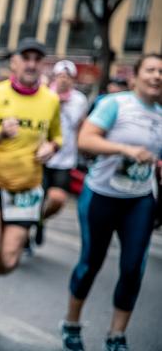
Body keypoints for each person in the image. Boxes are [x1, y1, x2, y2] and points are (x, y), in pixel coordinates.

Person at [60, 54, 161, 351]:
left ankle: (117, 336)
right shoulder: (115, 104)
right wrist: (125, 150)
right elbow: (85, 141)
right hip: (102, 196)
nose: (157, 76)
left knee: (133, 268)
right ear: (136, 76)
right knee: (91, 263)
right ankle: (71, 324)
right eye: (151, 70)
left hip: (139, 199)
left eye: (161, 72)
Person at [0, 37, 62, 342]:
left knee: (8, 260)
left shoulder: (50, 100)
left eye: (38, 59)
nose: (32, 64)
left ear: (42, 64)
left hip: (26, 188)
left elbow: (57, 137)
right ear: (15, 63)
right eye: (26, 57)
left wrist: (51, 148)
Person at [36, 60, 88, 245]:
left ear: (73, 79)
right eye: (60, 76)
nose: (64, 80)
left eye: (67, 77)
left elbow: (81, 126)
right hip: (41, 156)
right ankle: (29, 227)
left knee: (57, 200)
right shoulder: (44, 95)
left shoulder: (79, 100)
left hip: (65, 159)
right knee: (36, 198)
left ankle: (39, 221)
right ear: (55, 77)